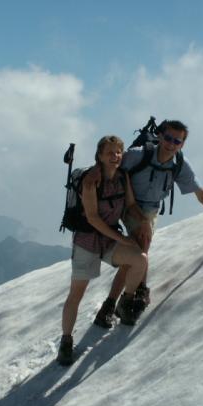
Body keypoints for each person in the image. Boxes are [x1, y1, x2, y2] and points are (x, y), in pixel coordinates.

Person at [89, 120, 203, 326]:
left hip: (151, 209)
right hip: (126, 204)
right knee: (139, 249)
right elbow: (111, 166)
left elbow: (201, 194)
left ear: (182, 144)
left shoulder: (179, 164)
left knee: (137, 254)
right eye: (168, 138)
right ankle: (127, 299)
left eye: (177, 141)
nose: (171, 144)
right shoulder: (139, 154)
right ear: (160, 136)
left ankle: (120, 300)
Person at [58, 135, 148, 366]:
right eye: (110, 152)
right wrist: (123, 238)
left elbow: (129, 205)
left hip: (108, 240)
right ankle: (66, 341)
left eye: (118, 152)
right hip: (87, 242)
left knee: (139, 260)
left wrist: (143, 221)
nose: (115, 156)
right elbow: (93, 218)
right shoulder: (91, 181)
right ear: (99, 155)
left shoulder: (122, 177)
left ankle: (124, 303)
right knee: (76, 294)